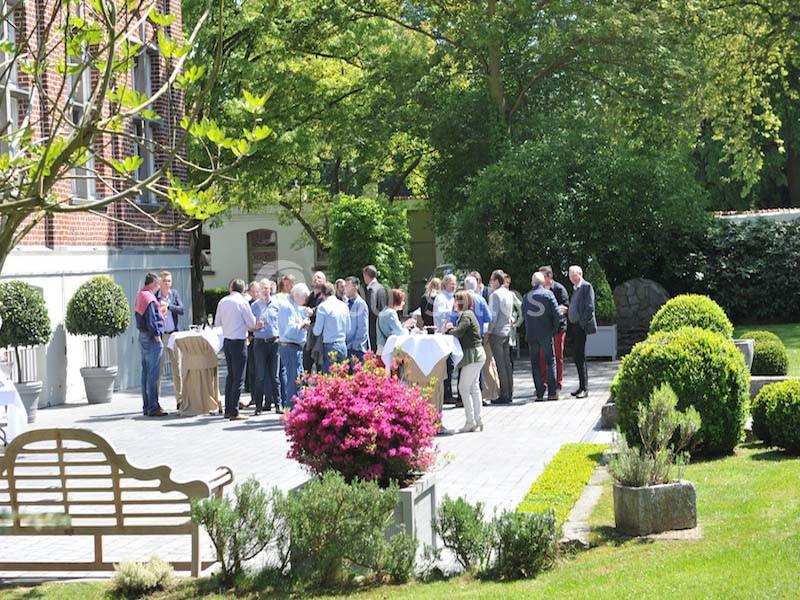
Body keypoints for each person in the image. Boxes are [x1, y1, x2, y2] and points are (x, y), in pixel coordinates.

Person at [214, 279, 261, 420]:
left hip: (227, 340)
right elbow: (252, 323)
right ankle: (234, 411)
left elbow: (217, 322)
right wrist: (258, 325)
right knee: (239, 378)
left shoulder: (223, 301)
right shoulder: (242, 302)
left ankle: (228, 408)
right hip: (239, 341)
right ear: (243, 290)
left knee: (231, 376)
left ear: (231, 288)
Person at [445, 291, 487, 432]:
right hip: (478, 354)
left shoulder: (466, 315)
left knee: (463, 388)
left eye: (455, 301)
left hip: (472, 355)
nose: (453, 304)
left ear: (459, 303)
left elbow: (459, 331)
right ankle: (478, 419)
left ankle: (470, 422)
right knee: (474, 387)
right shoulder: (469, 314)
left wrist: (449, 330)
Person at [523, 272, 561, 401]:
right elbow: (557, 314)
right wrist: (554, 329)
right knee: (550, 361)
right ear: (543, 282)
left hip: (532, 334)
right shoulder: (548, 294)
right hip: (546, 333)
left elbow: (524, 315)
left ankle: (539, 393)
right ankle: (552, 393)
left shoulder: (526, 296)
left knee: (535, 363)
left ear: (532, 283)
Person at [134, 272, 167, 417]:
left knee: (146, 372)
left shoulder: (141, 295)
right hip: (151, 337)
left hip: (143, 336)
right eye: (158, 283)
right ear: (153, 283)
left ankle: (147, 405)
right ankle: (153, 407)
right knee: (153, 373)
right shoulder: (149, 298)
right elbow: (151, 320)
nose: (159, 286)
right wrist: (157, 336)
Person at [465, 275, 498, 402]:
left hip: (464, 337)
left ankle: (468, 395)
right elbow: (489, 318)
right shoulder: (480, 299)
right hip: (479, 336)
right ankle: (483, 393)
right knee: (482, 363)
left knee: (467, 365)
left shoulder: (462, 298)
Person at [251, 279, 281, 415]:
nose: (265, 291)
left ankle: (278, 405)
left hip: (274, 342)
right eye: (262, 288)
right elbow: (248, 325)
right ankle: (258, 407)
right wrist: (254, 326)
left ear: (270, 289)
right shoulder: (254, 306)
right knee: (260, 376)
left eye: (267, 288)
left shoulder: (277, 304)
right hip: (260, 342)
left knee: (275, 376)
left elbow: (281, 322)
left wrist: (281, 336)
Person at [278, 283, 311, 409]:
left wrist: (305, 312)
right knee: (294, 379)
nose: (305, 300)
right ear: (296, 295)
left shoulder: (293, 305)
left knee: (297, 377)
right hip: (290, 346)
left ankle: (295, 407)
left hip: (293, 346)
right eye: (304, 297)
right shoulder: (287, 307)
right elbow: (290, 330)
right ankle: (292, 409)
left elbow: (300, 311)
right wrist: (302, 324)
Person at [538, 266, 569, 393]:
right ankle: (544, 383)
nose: (540, 279)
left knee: (557, 356)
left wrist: (554, 312)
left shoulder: (559, 289)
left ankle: (558, 383)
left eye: (542, 276)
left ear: (549, 277)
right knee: (542, 356)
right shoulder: (538, 290)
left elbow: (565, 307)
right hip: (543, 329)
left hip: (558, 328)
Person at [567, 265, 597, 399]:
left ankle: (585, 389)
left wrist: (581, 324)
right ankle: (581, 386)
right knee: (577, 357)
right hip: (574, 326)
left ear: (580, 274)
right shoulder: (575, 289)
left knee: (580, 356)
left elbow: (590, 307)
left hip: (581, 327)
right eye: (570, 275)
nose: (572, 277)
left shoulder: (586, 287)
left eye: (574, 274)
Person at [487, 269, 515, 403]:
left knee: (500, 364)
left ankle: (504, 394)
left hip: (497, 332)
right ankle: (510, 391)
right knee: (507, 363)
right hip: (507, 331)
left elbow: (493, 315)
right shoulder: (509, 294)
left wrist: (489, 331)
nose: (491, 283)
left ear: (497, 281)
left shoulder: (495, 295)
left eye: (492, 280)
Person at [155, 270, 184, 394]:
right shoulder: (155, 296)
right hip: (161, 336)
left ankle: (180, 400)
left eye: (169, 281)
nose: (167, 283)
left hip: (173, 335)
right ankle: (155, 402)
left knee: (177, 368)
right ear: (159, 282)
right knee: (158, 370)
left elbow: (182, 309)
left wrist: (169, 306)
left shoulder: (174, 294)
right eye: (164, 281)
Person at [313, 282, 351, 372]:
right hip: (342, 344)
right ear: (334, 292)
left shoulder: (322, 307)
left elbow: (317, 331)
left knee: (330, 379)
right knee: (342, 377)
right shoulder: (343, 306)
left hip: (329, 345)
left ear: (322, 294)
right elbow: (348, 329)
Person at [433, 274, 458, 403]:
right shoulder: (441, 298)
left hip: (450, 333)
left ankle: (448, 392)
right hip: (443, 334)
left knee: (450, 364)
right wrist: (454, 313)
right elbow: (441, 314)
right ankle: (446, 394)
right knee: (447, 364)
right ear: (445, 284)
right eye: (451, 283)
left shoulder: (451, 297)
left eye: (455, 283)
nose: (454, 286)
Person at [304, 271, 327, 372]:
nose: (316, 279)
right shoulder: (309, 297)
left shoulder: (325, 297)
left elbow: (321, 308)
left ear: (324, 281)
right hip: (308, 333)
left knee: (319, 366)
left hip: (320, 335)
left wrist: (312, 311)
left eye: (319, 277)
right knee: (306, 363)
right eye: (315, 277)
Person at [344, 276, 369, 362]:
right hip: (346, 347)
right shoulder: (345, 303)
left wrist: (355, 345)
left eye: (348, 286)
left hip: (357, 349)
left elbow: (363, 328)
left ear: (356, 287)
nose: (345, 288)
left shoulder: (361, 304)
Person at [363, 265, 387, 352]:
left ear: (366, 275)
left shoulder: (371, 290)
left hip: (373, 327)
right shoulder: (381, 287)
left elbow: (371, 309)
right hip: (382, 324)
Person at [243, 281, 260, 397]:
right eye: (253, 291)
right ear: (249, 292)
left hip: (263, 338)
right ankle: (254, 395)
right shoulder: (246, 305)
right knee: (252, 369)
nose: (255, 294)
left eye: (257, 291)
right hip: (252, 339)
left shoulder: (263, 304)